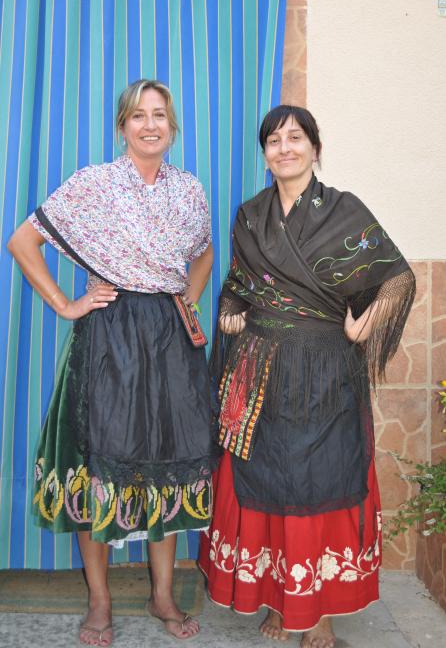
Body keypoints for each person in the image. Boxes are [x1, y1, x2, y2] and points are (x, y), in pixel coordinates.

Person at [8, 79, 216, 646]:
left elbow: (203, 252)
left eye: (160, 115)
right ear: (123, 125)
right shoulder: (94, 184)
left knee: (168, 463)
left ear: (172, 126)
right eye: (139, 115)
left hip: (170, 339)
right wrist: (66, 304)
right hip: (109, 336)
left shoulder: (189, 190)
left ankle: (162, 595)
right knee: (98, 464)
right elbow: (23, 242)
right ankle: (99, 600)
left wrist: (188, 299)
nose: (151, 125)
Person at [198, 105, 415, 648]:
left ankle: (320, 614)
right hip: (261, 372)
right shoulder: (250, 216)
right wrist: (230, 311)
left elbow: (396, 277)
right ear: (264, 154)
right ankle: (280, 600)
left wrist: (365, 324)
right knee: (265, 484)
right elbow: (237, 284)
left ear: (316, 149)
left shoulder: (345, 211)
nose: (284, 148)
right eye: (273, 141)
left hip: (324, 372)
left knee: (322, 483)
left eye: (295, 138)